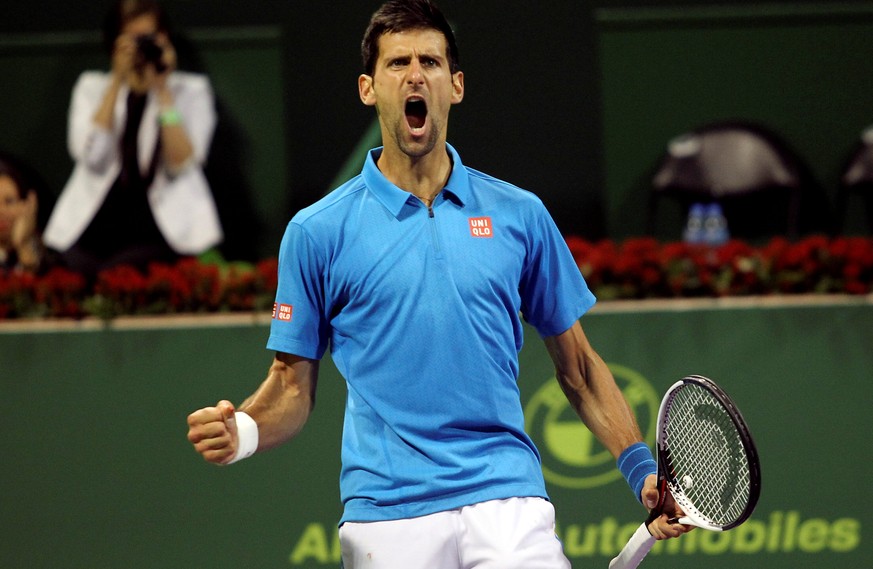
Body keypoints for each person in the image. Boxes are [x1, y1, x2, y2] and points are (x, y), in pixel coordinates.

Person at [187, 1, 689, 567]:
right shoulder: (317, 231)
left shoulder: (520, 215)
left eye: (429, 60)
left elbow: (577, 365)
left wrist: (641, 467)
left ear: (455, 86)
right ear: (368, 88)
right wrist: (244, 432)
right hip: (387, 513)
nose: (414, 74)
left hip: (507, 501)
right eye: (397, 63)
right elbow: (291, 386)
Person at [43, 0, 222, 279]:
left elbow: (181, 162)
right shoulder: (92, 87)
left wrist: (162, 91)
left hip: (161, 228)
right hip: (98, 222)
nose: (141, 48)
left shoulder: (190, 91)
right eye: (133, 40)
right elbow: (90, 157)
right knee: (70, 271)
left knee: (117, 273)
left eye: (148, 38)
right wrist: (116, 80)